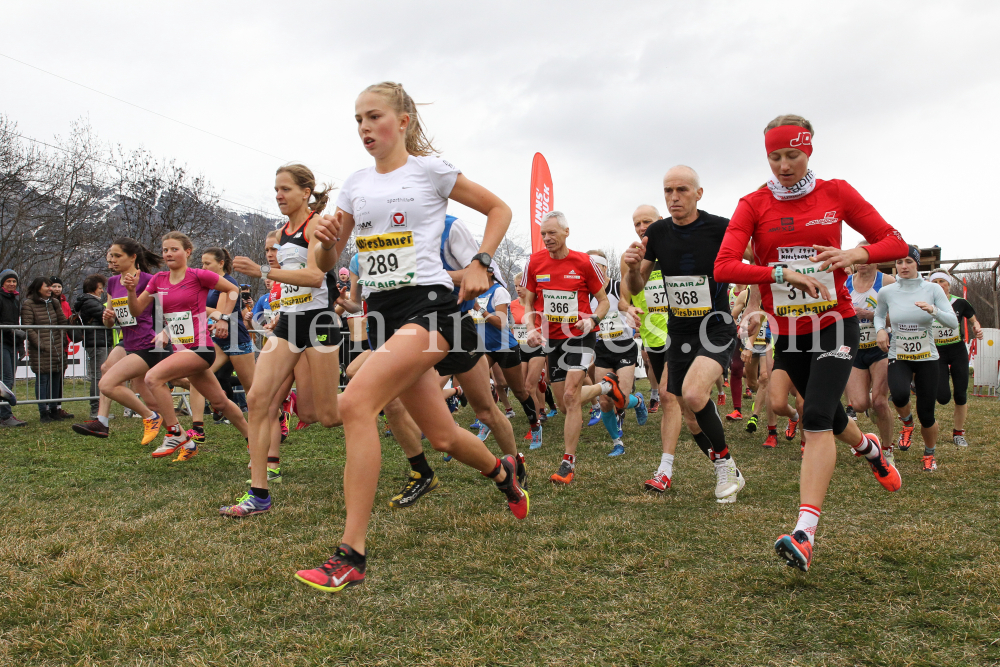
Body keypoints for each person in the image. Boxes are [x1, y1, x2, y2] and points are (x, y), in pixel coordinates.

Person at [291, 81, 528, 593]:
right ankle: (503, 472)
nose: (363, 128)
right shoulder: (355, 183)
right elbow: (327, 263)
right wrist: (328, 246)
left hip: (431, 308)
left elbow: (500, 210)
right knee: (442, 436)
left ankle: (351, 555)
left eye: (373, 117)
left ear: (403, 121)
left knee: (355, 403)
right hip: (384, 314)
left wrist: (481, 262)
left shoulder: (431, 171)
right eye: (357, 120)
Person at [714, 114, 908, 572]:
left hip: (834, 322)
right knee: (829, 413)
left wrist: (856, 253)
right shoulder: (753, 204)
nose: (783, 165)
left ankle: (804, 533)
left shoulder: (835, 193)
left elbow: (894, 242)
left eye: (792, 155)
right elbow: (724, 266)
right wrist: (781, 273)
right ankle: (870, 449)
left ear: (809, 152)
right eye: (774, 156)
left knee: (816, 417)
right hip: (788, 334)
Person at [222, 164, 346, 514]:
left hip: (319, 322)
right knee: (259, 399)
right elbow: (289, 284)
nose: (278, 195)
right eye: (276, 189)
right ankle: (258, 493)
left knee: (323, 413)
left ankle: (374, 398)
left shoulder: (317, 226)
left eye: (286, 189)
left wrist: (262, 271)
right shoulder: (279, 233)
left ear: (306, 193)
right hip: (289, 323)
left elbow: (313, 276)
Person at [622, 165, 746, 503]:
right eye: (668, 191)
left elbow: (757, 258)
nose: (674, 197)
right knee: (688, 412)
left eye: (681, 190)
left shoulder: (720, 227)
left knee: (692, 394)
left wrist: (759, 297)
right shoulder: (659, 233)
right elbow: (637, 287)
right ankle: (729, 465)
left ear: (698, 194)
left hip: (716, 325)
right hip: (680, 331)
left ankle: (723, 467)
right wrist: (633, 270)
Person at [123, 231, 249, 460]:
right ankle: (254, 440)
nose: (168, 253)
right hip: (182, 350)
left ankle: (174, 433)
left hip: (201, 348)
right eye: (165, 250)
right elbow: (136, 310)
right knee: (220, 400)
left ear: (187, 251)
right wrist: (131, 291)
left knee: (153, 378)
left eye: (174, 249)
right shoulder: (158, 279)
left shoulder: (198, 275)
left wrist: (223, 318)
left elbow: (233, 290)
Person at [521, 210, 622, 485]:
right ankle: (604, 387)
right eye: (543, 234)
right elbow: (528, 302)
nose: (547, 238)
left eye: (552, 232)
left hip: (580, 335)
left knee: (569, 394)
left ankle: (568, 462)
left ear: (567, 232)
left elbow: (602, 301)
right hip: (552, 339)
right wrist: (531, 328)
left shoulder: (583, 262)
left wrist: (593, 320)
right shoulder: (534, 263)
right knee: (568, 404)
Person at [875, 248, 958, 472]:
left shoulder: (932, 289)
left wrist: (933, 310)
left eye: (909, 261)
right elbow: (879, 314)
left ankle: (929, 454)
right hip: (899, 355)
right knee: (899, 395)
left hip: (927, 358)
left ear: (917, 265)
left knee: (927, 413)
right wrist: (881, 330)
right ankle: (907, 424)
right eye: (899, 261)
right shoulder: (887, 291)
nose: (903, 266)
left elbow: (953, 322)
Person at [73, 239, 164, 441]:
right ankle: (102, 422)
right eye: (110, 257)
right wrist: (109, 318)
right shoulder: (113, 283)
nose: (111, 262)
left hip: (149, 340)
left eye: (116, 256)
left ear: (133, 257)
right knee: (107, 371)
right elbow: (111, 322)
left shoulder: (151, 280)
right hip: (127, 339)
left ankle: (169, 420)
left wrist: (164, 333)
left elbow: (163, 311)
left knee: (159, 386)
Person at [185, 247, 257, 445]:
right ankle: (198, 427)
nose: (204, 267)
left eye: (208, 263)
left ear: (221, 263)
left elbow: (219, 312)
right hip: (218, 339)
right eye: (202, 263)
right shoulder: (210, 285)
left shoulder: (229, 283)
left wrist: (197, 307)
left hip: (236, 339)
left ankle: (278, 417)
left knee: (252, 391)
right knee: (198, 379)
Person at [472, 265, 542, 448]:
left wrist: (479, 308)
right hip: (484, 348)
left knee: (519, 391)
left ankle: (535, 426)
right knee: (477, 383)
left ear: (490, 272)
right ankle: (486, 422)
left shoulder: (499, 291)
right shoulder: (474, 291)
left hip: (505, 347)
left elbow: (500, 323)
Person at [587, 249, 647, 458]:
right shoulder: (587, 292)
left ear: (604, 267)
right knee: (605, 400)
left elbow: (624, 302)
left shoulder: (616, 286)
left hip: (623, 345)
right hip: (602, 347)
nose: (592, 270)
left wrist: (628, 309)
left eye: (596, 266)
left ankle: (638, 401)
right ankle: (617, 442)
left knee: (620, 399)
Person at [844, 243, 895, 453]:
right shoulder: (845, 283)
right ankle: (871, 415)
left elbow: (899, 318)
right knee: (859, 404)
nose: (862, 263)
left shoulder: (887, 282)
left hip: (880, 347)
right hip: (856, 349)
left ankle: (887, 449)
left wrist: (871, 315)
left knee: (880, 402)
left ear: (876, 259)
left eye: (866, 258)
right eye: (858, 258)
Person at [930, 271, 983, 447]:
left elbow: (973, 320)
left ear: (948, 284)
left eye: (942, 281)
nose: (939, 284)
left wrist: (976, 328)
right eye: (935, 281)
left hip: (957, 349)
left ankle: (958, 433)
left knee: (961, 393)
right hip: (937, 352)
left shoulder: (959, 302)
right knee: (943, 397)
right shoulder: (926, 303)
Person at [20, 277, 68, 422]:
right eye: (47, 286)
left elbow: (62, 322)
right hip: (40, 349)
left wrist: (61, 340)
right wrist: (40, 344)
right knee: (43, 379)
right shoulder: (29, 304)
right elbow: (28, 327)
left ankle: (54, 409)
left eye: (51, 287)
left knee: (55, 378)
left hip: (57, 347)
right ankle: (43, 411)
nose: (50, 289)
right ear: (38, 288)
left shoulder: (54, 303)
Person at [74, 274, 115, 420]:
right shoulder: (90, 302)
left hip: (98, 341)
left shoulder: (89, 301)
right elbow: (107, 316)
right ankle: (95, 410)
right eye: (100, 288)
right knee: (98, 376)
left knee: (100, 375)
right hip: (97, 342)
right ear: (93, 289)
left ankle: (99, 410)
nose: (102, 291)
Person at [0, 268, 26, 427]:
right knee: (6, 380)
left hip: (11, 343)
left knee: (9, 380)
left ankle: (4, 414)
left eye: (14, 281)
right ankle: (5, 415)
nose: (11, 284)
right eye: (8, 281)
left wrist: (20, 345)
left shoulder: (15, 300)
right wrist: (10, 329)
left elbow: (16, 325)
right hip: (1, 342)